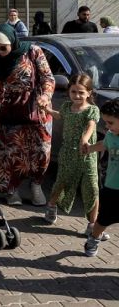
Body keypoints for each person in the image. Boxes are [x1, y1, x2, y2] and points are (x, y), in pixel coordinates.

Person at [0, 23, 55, 206]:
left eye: (3, 47)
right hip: (11, 112)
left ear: (12, 41)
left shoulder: (33, 51)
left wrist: (45, 95)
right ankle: (11, 191)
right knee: (10, 153)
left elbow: (48, 77)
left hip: (37, 110)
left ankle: (36, 186)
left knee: (41, 151)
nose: (0, 52)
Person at [42, 74, 110, 241]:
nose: (77, 96)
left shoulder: (92, 110)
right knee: (62, 181)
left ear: (89, 93)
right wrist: (47, 109)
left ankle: (92, 225)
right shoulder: (66, 107)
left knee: (92, 188)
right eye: (74, 92)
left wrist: (85, 139)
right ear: (69, 92)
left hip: (87, 154)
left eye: (81, 92)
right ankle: (51, 207)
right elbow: (59, 115)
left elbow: (91, 125)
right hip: (68, 153)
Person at [83, 99, 119, 256]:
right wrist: (90, 148)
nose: (107, 127)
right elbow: (103, 144)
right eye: (106, 123)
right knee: (103, 219)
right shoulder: (111, 136)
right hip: (112, 188)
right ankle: (94, 237)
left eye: (110, 122)